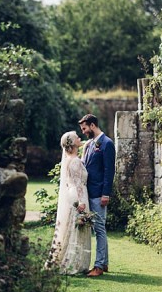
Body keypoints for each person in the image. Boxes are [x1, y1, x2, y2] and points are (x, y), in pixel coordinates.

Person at [46, 131, 92, 275]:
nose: (80, 138)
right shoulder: (75, 161)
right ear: (72, 144)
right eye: (77, 137)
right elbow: (78, 183)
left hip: (72, 194)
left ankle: (69, 260)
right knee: (79, 227)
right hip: (79, 194)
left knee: (72, 227)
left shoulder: (69, 159)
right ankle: (75, 263)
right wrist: (81, 202)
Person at [78, 114, 116, 277]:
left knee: (99, 230)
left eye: (85, 128)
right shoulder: (90, 144)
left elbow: (109, 171)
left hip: (99, 193)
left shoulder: (107, 144)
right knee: (99, 229)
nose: (84, 132)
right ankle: (104, 263)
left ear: (92, 126)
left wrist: (105, 194)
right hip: (89, 192)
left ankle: (99, 266)